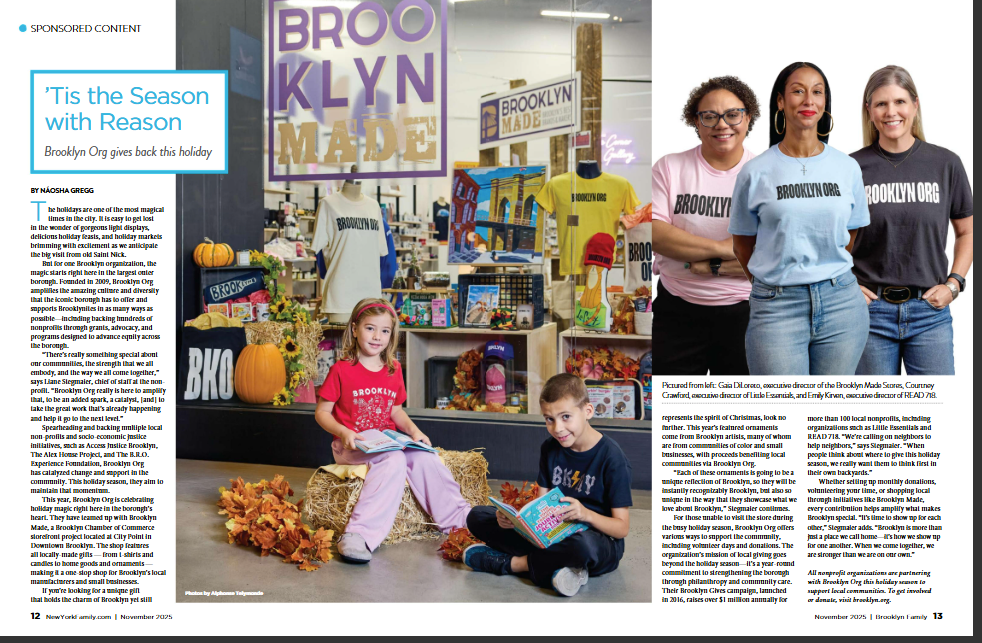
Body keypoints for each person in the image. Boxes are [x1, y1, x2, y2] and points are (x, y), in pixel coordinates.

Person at [729, 62, 870, 375]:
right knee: (785, 413)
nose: (809, 100)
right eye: (798, 91)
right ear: (780, 101)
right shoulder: (755, 171)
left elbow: (852, 232)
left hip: (842, 304)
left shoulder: (847, 167)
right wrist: (778, 281)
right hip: (777, 306)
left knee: (828, 417)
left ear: (825, 103)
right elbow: (742, 245)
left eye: (817, 92)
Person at [314, 297, 472, 563]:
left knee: (424, 456)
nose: (377, 337)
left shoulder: (392, 369)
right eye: (370, 328)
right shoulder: (342, 370)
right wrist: (343, 432)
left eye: (385, 331)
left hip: (386, 440)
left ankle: (461, 522)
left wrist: (414, 432)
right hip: (352, 445)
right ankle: (359, 535)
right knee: (394, 459)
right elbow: (322, 412)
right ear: (354, 329)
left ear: (392, 335)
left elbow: (395, 410)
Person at [850, 65, 973, 375]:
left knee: (935, 414)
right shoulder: (851, 168)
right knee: (875, 420)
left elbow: (967, 232)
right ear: (869, 111)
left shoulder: (946, 164)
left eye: (900, 102)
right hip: (869, 314)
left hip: (930, 312)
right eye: (881, 103)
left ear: (915, 106)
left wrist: (955, 283)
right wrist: (846, 284)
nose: (891, 111)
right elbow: (831, 240)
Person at [463, 374, 632, 597]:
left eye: (566, 417)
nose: (558, 428)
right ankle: (562, 568)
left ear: (588, 411)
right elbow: (539, 504)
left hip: (595, 540)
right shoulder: (550, 448)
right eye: (549, 419)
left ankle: (513, 564)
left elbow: (622, 528)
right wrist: (514, 521)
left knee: (583, 546)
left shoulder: (612, 457)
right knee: (477, 516)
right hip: (552, 534)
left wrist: (586, 515)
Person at [651, 76, 761, 374]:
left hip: (748, 313)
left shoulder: (767, 173)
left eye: (732, 114)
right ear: (696, 122)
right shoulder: (670, 167)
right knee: (680, 416)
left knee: (741, 418)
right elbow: (656, 235)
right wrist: (726, 248)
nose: (722, 124)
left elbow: (771, 257)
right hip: (677, 311)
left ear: (748, 118)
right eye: (709, 116)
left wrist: (707, 265)